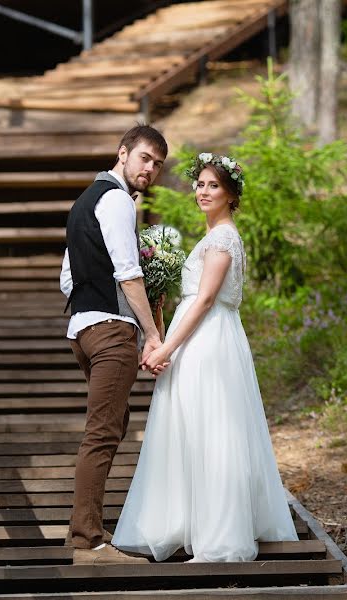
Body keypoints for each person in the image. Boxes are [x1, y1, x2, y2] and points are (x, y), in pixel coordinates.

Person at [112, 153, 298, 562]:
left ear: (231, 194)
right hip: (198, 334)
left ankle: (219, 531)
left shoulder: (223, 238)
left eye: (213, 185)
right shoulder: (211, 236)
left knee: (210, 426)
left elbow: (206, 299)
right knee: (189, 425)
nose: (203, 191)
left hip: (209, 340)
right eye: (200, 184)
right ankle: (185, 519)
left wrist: (165, 347)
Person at [59, 124, 168, 565]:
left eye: (158, 164)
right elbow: (127, 271)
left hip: (83, 330)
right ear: (122, 154)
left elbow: (66, 276)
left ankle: (92, 529)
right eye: (145, 158)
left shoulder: (84, 200)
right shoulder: (118, 199)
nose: (151, 169)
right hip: (110, 331)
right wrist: (152, 333)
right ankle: (87, 541)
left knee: (110, 426)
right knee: (103, 433)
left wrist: (90, 308)